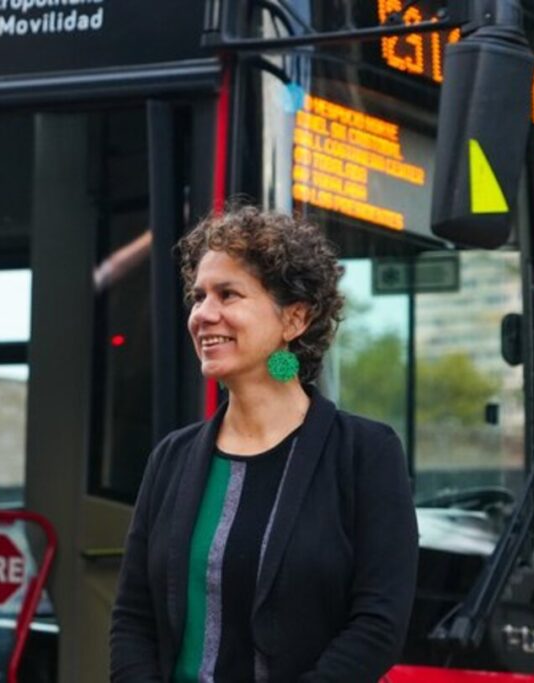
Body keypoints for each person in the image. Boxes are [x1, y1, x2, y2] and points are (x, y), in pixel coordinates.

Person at [110, 205, 418, 682]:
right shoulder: (171, 458)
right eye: (198, 297)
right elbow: (133, 618)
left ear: (294, 320)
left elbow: (378, 626)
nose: (203, 314)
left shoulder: (365, 454)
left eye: (228, 294)